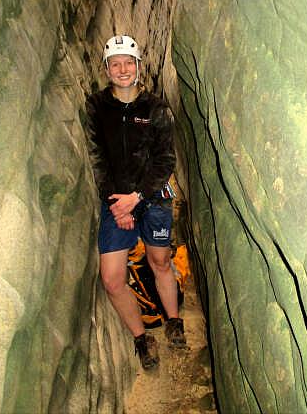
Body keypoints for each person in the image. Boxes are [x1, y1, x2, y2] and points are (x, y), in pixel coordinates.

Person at [86, 34, 186, 370]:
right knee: (112, 278)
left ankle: (174, 322)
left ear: (138, 66)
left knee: (160, 262)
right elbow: (98, 158)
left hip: (152, 197)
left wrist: (137, 198)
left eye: (129, 62)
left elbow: (165, 159)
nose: (123, 69)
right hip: (115, 201)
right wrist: (117, 203)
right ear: (107, 69)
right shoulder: (97, 107)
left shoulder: (155, 109)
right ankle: (143, 339)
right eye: (116, 64)